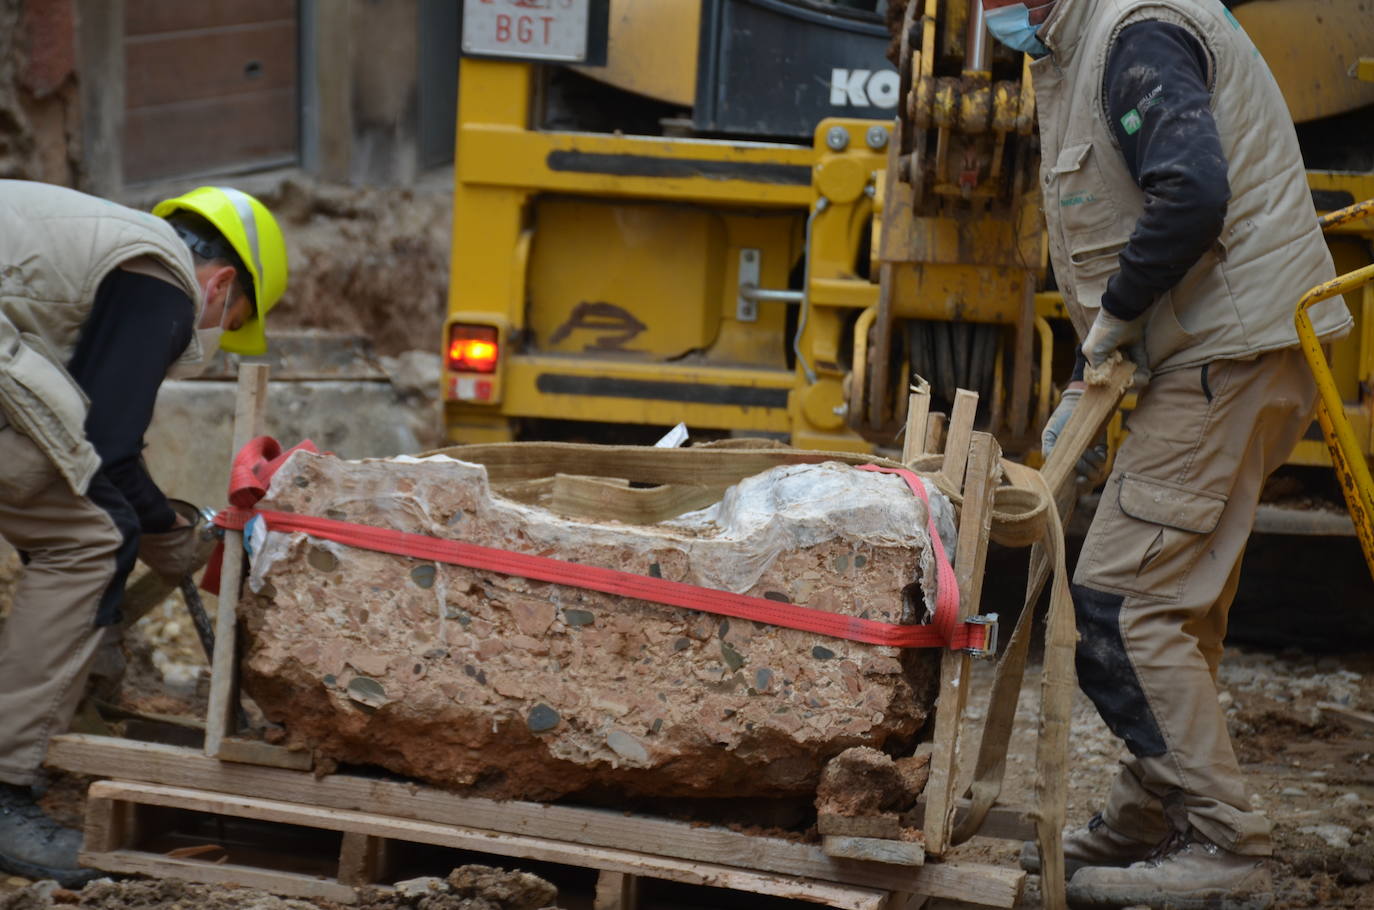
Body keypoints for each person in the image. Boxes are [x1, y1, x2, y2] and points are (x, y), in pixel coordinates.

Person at [982, 0, 1353, 907]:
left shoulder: (1134, 34)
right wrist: (1096, 371)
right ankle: (1151, 817)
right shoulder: (1082, 46)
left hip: (1227, 351)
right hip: (1231, 347)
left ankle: (1224, 844)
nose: (987, 11)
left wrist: (1114, 319)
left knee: (1122, 606)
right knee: (1178, 608)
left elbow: (1191, 192)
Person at [0, 182, 288, 885]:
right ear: (220, 284)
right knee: (91, 539)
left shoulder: (97, 249)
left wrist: (150, 518)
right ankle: (3, 788)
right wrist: (166, 530)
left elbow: (85, 441)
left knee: (70, 506)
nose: (211, 334)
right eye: (229, 321)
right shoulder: (161, 277)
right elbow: (106, 449)